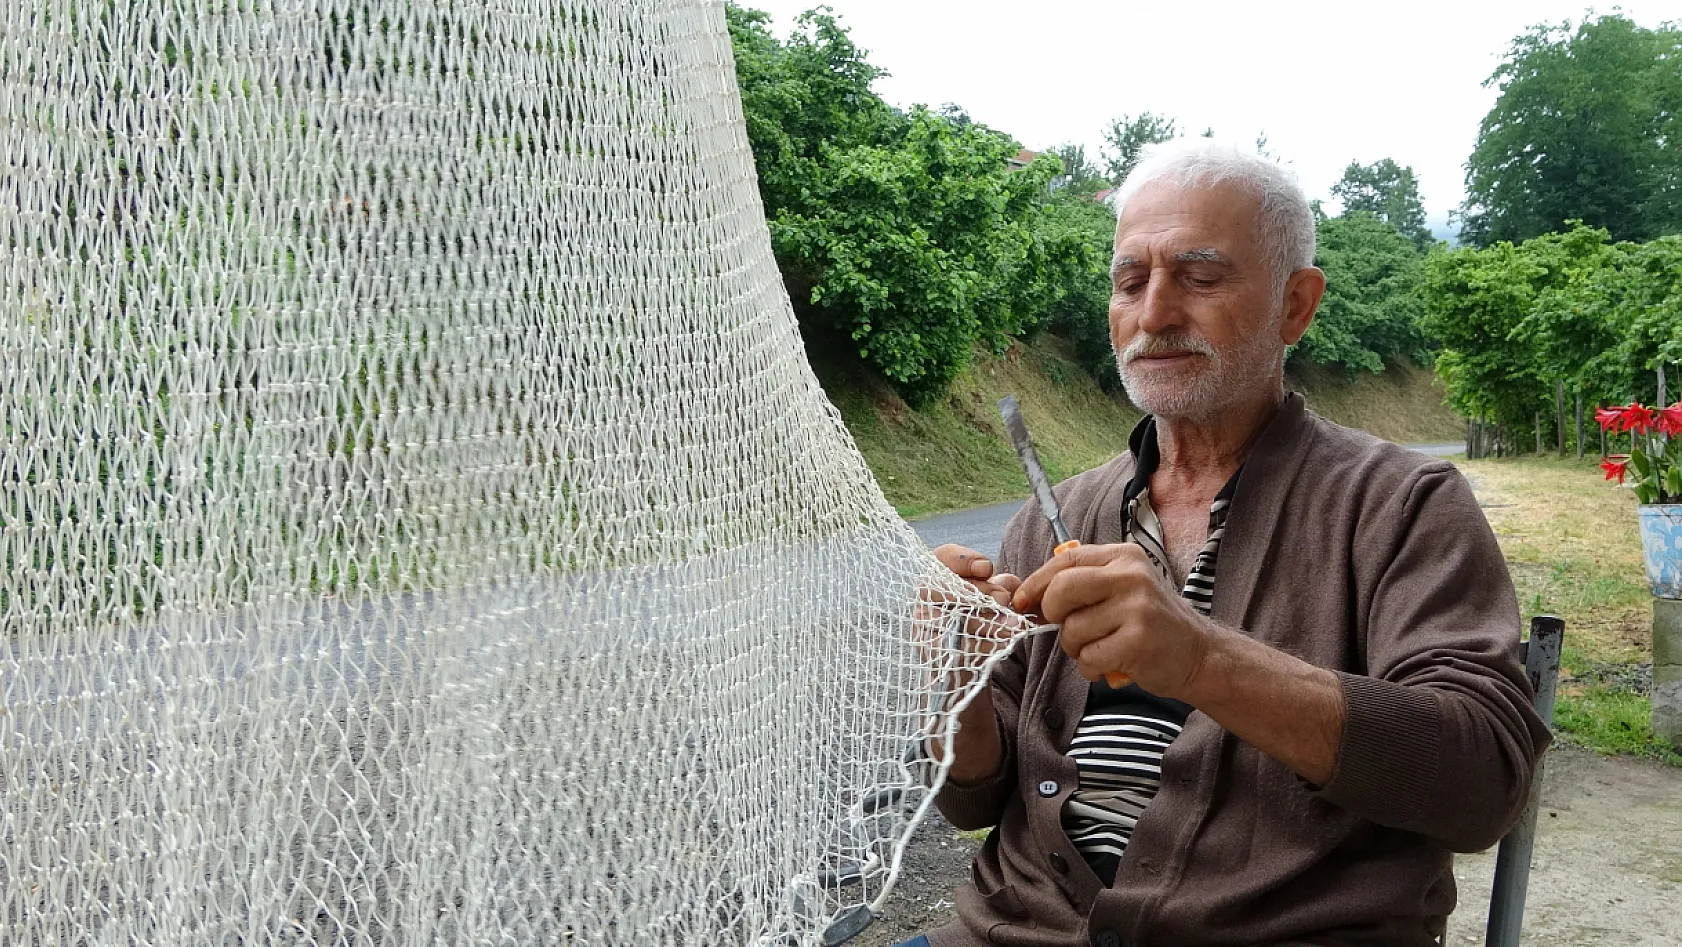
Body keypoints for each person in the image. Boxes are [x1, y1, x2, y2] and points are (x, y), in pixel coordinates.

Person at [909, 139, 1550, 947]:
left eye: (1200, 276)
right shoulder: (1057, 513)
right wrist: (956, 691)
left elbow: (1481, 782)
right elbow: (973, 799)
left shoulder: (1401, 504)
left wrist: (1200, 659)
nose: (1154, 313)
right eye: (1129, 281)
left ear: (1297, 304)